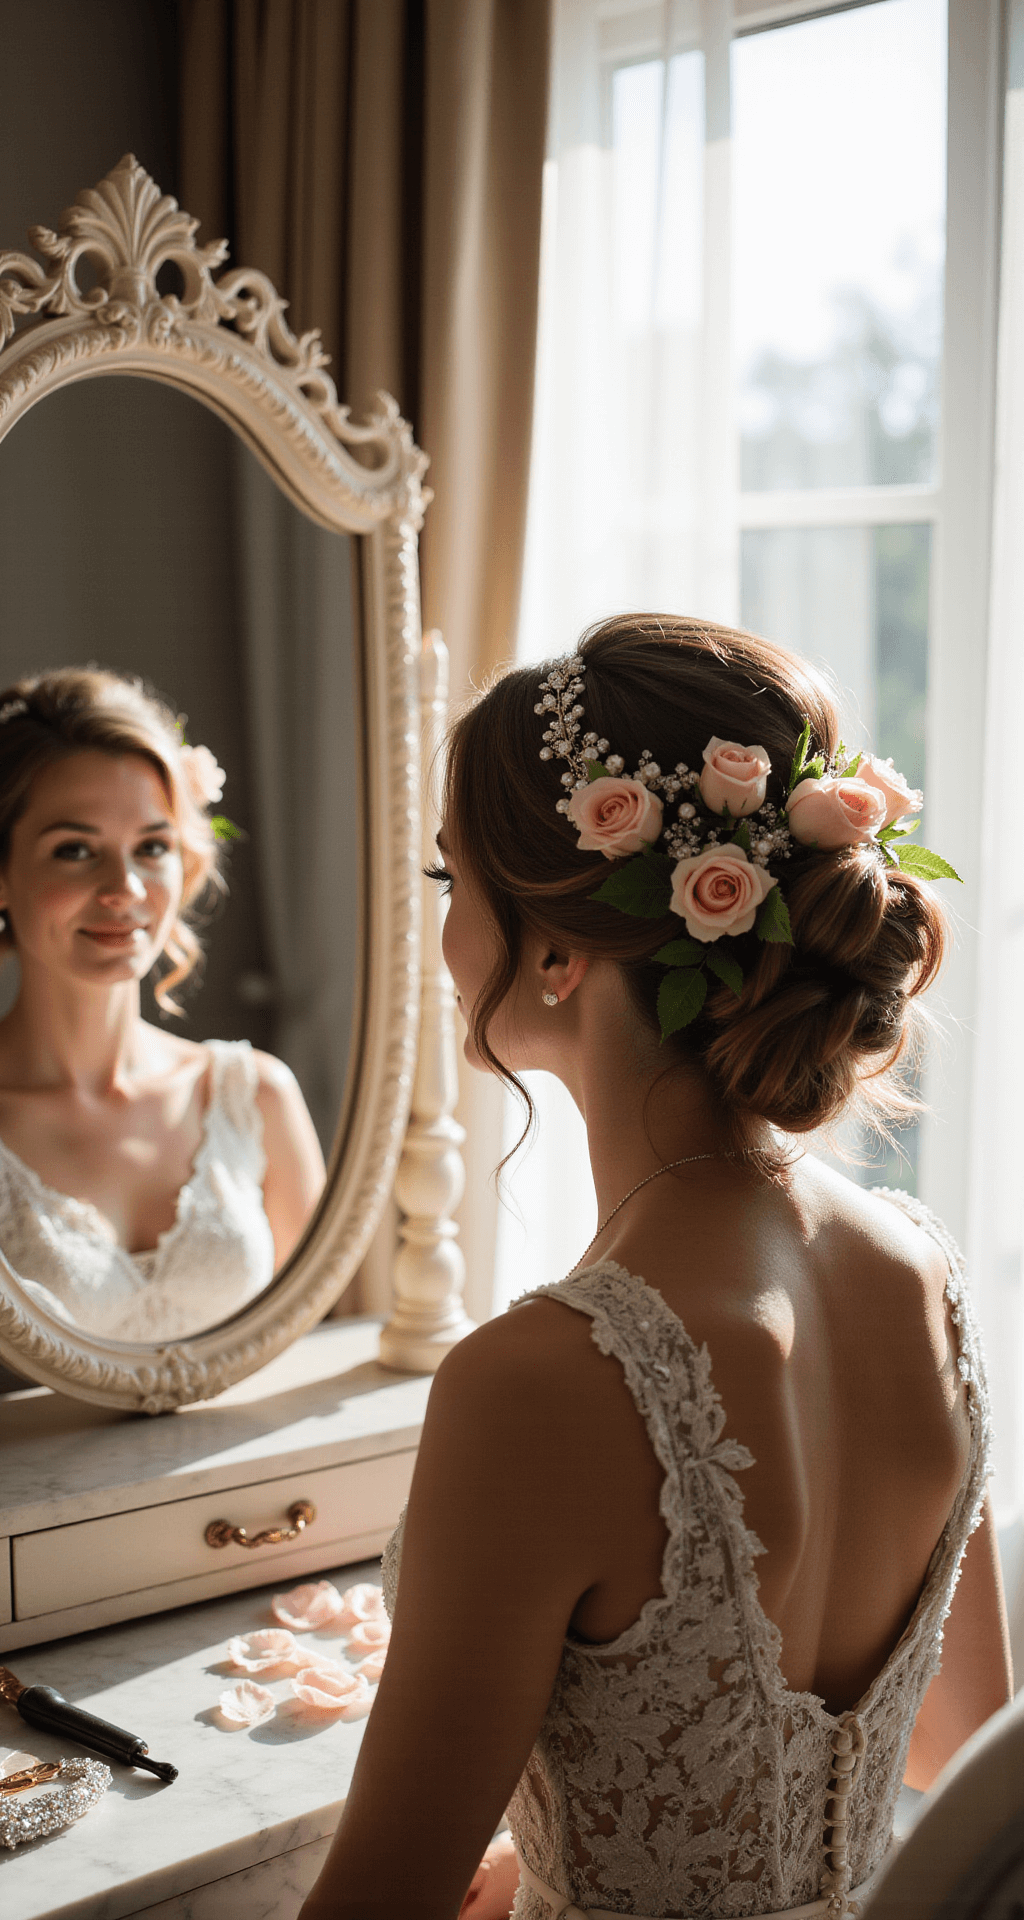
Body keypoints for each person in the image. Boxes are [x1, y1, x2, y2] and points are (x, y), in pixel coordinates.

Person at [298, 616, 1012, 1920]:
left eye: (452, 885)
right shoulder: (925, 1281)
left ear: (560, 952)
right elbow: (958, 1761)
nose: (448, 940)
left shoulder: (544, 1383)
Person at [0, 667, 324, 1342]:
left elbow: (316, 1351)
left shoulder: (254, 1097)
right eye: (75, 850)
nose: (124, 887)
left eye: (152, 847)